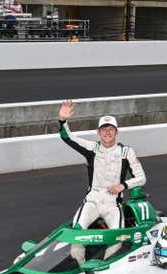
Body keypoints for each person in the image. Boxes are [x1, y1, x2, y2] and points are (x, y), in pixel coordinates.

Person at [58, 100, 146, 262]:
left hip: (113, 204)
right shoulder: (92, 147)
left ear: (116, 131)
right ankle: (80, 270)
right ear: (98, 132)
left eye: (111, 129)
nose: (107, 132)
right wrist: (63, 121)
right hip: (92, 201)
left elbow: (141, 178)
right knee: (76, 235)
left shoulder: (127, 152)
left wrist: (123, 185)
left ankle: (104, 270)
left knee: (119, 239)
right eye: (104, 129)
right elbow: (67, 137)